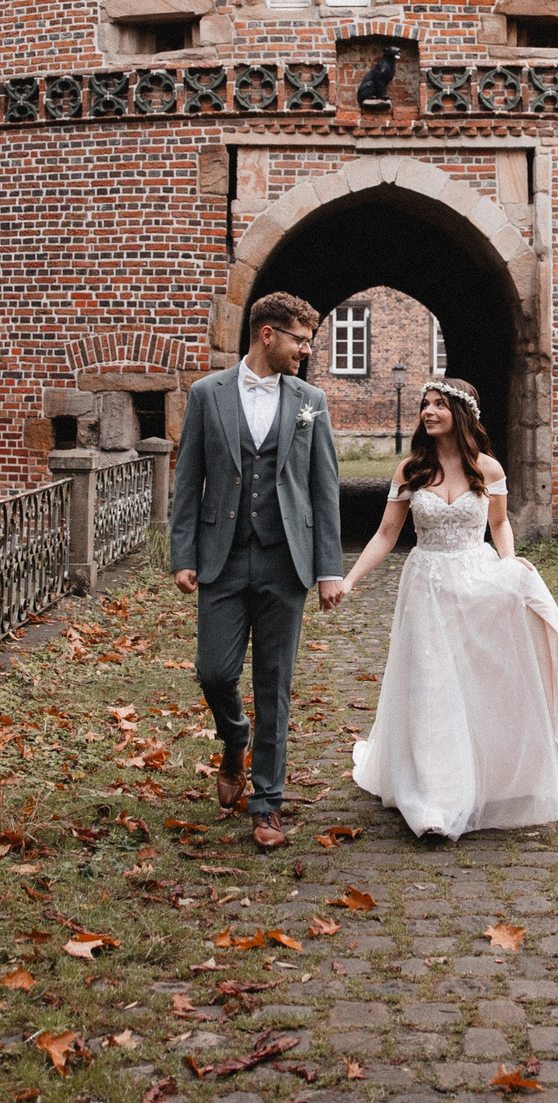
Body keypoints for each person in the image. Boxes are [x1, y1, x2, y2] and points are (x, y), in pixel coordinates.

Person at [338, 377, 558, 840]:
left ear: (462, 414)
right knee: (431, 686)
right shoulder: (411, 470)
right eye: (425, 404)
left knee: (474, 682)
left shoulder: (487, 468)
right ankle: (433, 801)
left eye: (439, 405)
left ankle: (485, 775)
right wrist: (351, 579)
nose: (428, 412)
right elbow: (387, 534)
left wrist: (509, 565)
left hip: (475, 581)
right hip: (426, 586)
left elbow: (499, 523)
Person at [169, 291, 346, 848]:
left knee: (275, 685)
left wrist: (329, 569)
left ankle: (267, 804)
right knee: (214, 672)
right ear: (268, 335)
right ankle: (234, 737)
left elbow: (324, 489)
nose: (307, 351)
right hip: (221, 557)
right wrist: (184, 554)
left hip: (284, 559)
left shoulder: (311, 400)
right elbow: (188, 479)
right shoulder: (207, 393)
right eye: (300, 340)